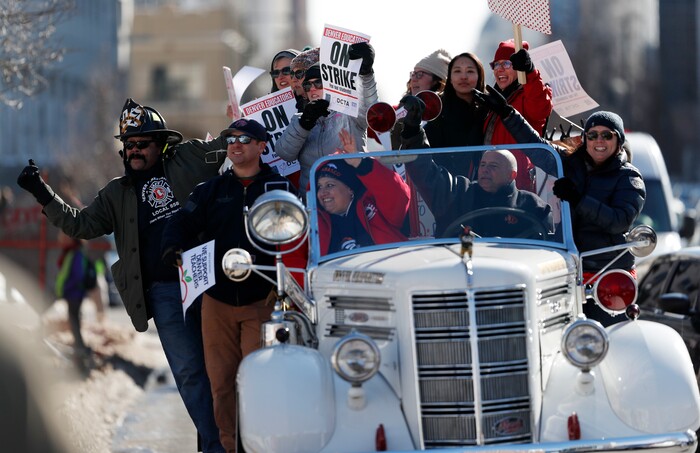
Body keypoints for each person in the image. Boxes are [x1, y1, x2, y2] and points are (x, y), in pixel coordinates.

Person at [16, 98, 226, 452]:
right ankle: (216, 446)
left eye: (142, 144)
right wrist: (42, 192)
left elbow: (234, 143)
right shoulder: (116, 193)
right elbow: (81, 224)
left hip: (210, 279)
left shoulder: (189, 158)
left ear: (161, 144)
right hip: (164, 290)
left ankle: (228, 440)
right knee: (190, 373)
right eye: (128, 145)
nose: (135, 151)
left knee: (222, 368)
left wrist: (274, 103)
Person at [160, 118, 295, 452]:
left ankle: (259, 446)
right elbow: (181, 221)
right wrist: (173, 246)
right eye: (231, 139)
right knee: (220, 385)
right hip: (216, 302)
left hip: (262, 300)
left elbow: (297, 239)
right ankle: (229, 447)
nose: (236, 144)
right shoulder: (211, 190)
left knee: (258, 383)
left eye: (245, 139)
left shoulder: (280, 189)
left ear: (262, 146)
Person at [475, 88, 646, 324]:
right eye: (593, 134)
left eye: (607, 135)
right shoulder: (570, 164)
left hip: (607, 272)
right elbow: (537, 147)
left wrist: (578, 199)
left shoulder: (629, 177)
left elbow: (619, 221)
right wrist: (508, 113)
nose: (599, 141)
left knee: (607, 340)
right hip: (567, 267)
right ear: (585, 139)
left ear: (618, 141)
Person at [400, 95, 552, 238]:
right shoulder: (459, 193)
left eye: (493, 166)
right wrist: (413, 131)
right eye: (483, 164)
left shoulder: (533, 206)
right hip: (459, 261)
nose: (485, 170)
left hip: (512, 264)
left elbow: (547, 251)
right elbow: (425, 173)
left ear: (512, 175)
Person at [275, 42, 378, 197]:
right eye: (308, 86)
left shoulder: (348, 114)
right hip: (314, 205)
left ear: (331, 84)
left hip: (350, 199)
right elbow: (284, 153)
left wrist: (366, 74)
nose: (313, 88)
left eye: (318, 82)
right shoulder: (300, 120)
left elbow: (371, 112)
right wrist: (305, 124)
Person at [316, 129, 411, 255]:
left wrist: (360, 163)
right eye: (319, 186)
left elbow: (398, 196)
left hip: (388, 265)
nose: (323, 192)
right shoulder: (315, 221)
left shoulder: (371, 204)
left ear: (350, 189)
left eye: (329, 185)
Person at [483, 40, 554, 191]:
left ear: (519, 67)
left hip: (517, 186)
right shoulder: (492, 100)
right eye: (496, 64)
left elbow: (540, 108)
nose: (500, 69)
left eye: (507, 64)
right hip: (489, 183)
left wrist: (530, 73)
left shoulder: (528, 95)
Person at [424, 52, 487, 180]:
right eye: (457, 71)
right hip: (449, 189)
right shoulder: (438, 112)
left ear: (479, 76)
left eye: (470, 71)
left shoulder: (490, 110)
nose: (463, 77)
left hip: (486, 187)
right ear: (450, 78)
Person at [388, 48, 451, 149]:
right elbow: (370, 126)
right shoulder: (398, 109)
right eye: (413, 74)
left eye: (420, 74)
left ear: (436, 81)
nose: (413, 79)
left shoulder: (447, 115)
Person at [54, 231, 96, 373]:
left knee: (74, 322)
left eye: (62, 236)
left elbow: (77, 276)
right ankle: (80, 349)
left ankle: (81, 351)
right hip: (73, 294)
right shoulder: (72, 252)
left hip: (74, 294)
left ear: (71, 239)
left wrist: (66, 289)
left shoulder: (76, 253)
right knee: (74, 322)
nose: (59, 238)